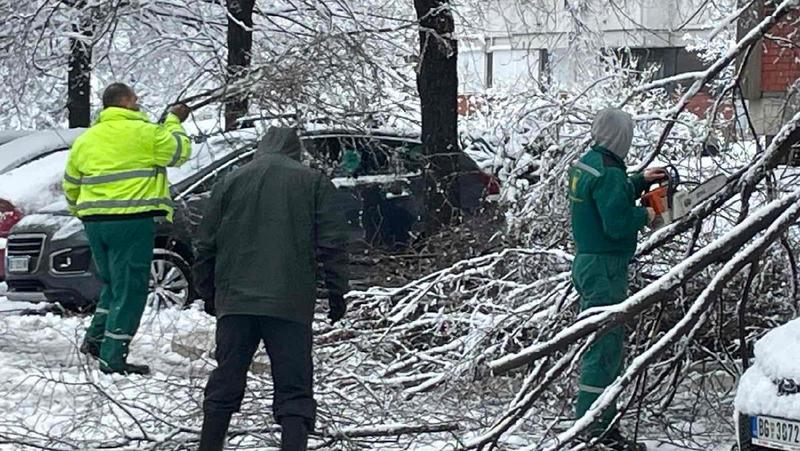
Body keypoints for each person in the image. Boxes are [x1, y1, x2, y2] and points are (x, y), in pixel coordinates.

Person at [193, 127, 349, 451]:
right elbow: (332, 244)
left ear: (260, 148)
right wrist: (337, 293)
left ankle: (209, 446)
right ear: (296, 151)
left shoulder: (230, 181)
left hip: (236, 302)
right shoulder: (313, 182)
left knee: (225, 382)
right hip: (289, 303)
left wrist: (208, 293)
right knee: (294, 390)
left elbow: (205, 243)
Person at [64, 83, 192, 376]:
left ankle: (95, 341)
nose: (139, 103)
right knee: (131, 289)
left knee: (112, 284)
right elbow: (179, 152)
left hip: (95, 222)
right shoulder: (146, 133)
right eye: (136, 98)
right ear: (126, 102)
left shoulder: (87, 139)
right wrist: (173, 120)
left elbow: (71, 183)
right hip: (132, 221)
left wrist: (81, 211)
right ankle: (113, 358)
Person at [568, 108, 665, 450]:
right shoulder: (609, 173)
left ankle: (599, 425)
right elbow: (617, 223)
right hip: (606, 268)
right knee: (604, 351)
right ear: (621, 137)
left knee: (602, 345)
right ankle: (595, 432)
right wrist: (649, 211)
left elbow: (607, 192)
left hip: (587, 262)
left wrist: (640, 181)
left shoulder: (587, 164)